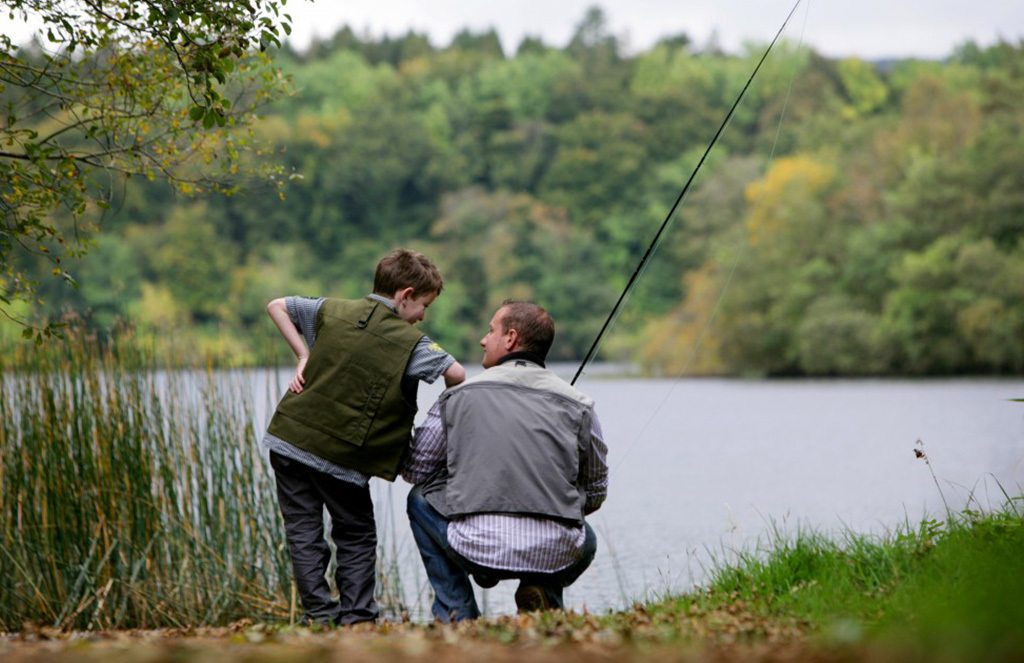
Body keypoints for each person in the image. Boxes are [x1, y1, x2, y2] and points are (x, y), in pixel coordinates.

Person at [262, 248, 465, 626]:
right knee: (355, 535)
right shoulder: (412, 343)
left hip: (288, 439)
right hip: (342, 457)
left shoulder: (330, 309)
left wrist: (302, 355)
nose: (423, 316)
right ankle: (357, 620)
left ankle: (320, 616)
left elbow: (277, 305)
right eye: (423, 305)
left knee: (303, 532)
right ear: (404, 296)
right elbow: (456, 374)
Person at [402, 300, 608, 622]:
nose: (484, 340)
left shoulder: (457, 396)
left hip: (473, 547)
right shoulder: (580, 404)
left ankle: (457, 613)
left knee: (418, 500)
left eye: (490, 330)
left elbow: (416, 470)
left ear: (511, 338)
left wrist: (461, 473)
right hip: (556, 552)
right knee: (585, 534)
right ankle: (543, 595)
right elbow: (595, 491)